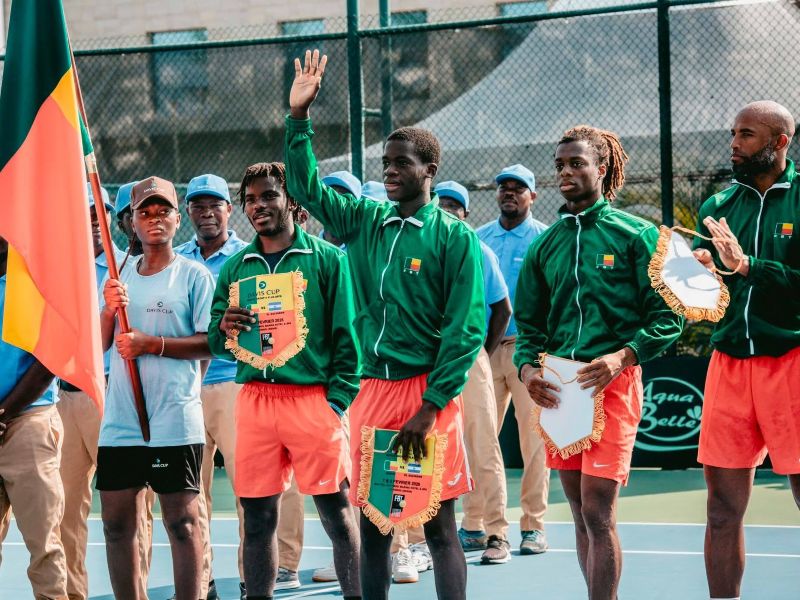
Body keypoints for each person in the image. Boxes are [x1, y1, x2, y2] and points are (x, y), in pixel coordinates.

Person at [285, 49, 485, 600]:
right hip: (372, 393)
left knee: (441, 528)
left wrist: (430, 406)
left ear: (430, 172)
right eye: (386, 164)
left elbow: (466, 331)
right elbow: (305, 190)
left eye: (402, 164)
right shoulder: (365, 219)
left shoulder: (453, 237)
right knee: (375, 525)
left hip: (426, 396)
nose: (391, 172)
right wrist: (298, 119)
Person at [513, 126, 683, 600]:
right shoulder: (545, 246)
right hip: (560, 390)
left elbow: (668, 317)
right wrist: (528, 371)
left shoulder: (637, 234)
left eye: (577, 164)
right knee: (578, 512)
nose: (565, 173)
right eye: (560, 165)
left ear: (602, 169)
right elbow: (529, 327)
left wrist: (621, 357)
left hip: (614, 384)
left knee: (598, 512)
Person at [208, 161, 362, 600]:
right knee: (257, 519)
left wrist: (335, 402)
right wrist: (223, 330)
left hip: (312, 401)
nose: (259, 206)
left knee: (336, 515)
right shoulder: (237, 267)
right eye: (251, 199)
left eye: (269, 195)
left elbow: (347, 337)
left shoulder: (328, 259)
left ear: (293, 201)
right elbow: (217, 345)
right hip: (255, 402)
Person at [691, 100, 800, 600]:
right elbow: (710, 299)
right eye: (733, 132)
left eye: (748, 135)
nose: (734, 143)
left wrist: (747, 266)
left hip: (791, 364)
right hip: (729, 365)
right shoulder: (717, 207)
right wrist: (694, 278)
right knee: (720, 510)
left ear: (780, 142)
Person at [98, 176, 215, 600]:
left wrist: (154, 344)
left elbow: (210, 343)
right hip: (121, 420)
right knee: (116, 524)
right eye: (145, 212)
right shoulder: (117, 276)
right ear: (132, 221)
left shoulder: (194, 275)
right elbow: (100, 345)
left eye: (163, 210)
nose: (155, 219)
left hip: (174, 417)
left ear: (177, 218)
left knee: (182, 523)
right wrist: (110, 312)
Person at [175, 173, 248, 600]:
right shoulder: (178, 259)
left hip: (234, 385)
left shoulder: (248, 257)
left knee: (248, 490)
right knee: (191, 495)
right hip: (186, 390)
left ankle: (249, 579)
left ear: (228, 209)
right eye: (197, 205)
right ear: (188, 212)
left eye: (214, 204)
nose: (205, 212)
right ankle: (202, 582)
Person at [436, 180, 513, 564]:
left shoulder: (478, 250)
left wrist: (481, 354)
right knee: (430, 448)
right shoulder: (424, 247)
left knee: (483, 445)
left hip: (469, 360)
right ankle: (419, 538)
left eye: (455, 205)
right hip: (430, 364)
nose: (447, 210)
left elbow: (502, 309)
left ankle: (497, 532)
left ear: (465, 213)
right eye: (441, 203)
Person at [475, 164, 550, 556]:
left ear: (533, 196)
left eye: (518, 188)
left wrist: (541, 354)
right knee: (480, 439)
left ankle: (533, 526)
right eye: (503, 187)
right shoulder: (478, 238)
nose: (509, 193)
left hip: (528, 353)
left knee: (534, 441)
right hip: (484, 352)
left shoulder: (544, 239)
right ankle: (477, 525)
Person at [58, 184, 126, 600]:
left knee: (128, 509)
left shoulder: (129, 267)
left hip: (111, 396)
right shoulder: (55, 269)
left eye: (96, 212)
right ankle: (71, 593)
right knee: (64, 509)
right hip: (62, 396)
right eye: (82, 212)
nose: (91, 222)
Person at [0, 235, 69, 599]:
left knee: (43, 543)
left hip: (29, 419)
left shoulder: (32, 282)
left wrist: (3, 411)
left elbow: (49, 358)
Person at [319, 171, 362, 248]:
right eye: (330, 195)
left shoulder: (362, 252)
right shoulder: (309, 248)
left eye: (343, 199)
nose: (335, 204)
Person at [115, 181, 143, 260]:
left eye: (145, 213)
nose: (140, 219)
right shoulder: (117, 267)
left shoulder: (177, 264)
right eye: (132, 213)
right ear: (121, 226)